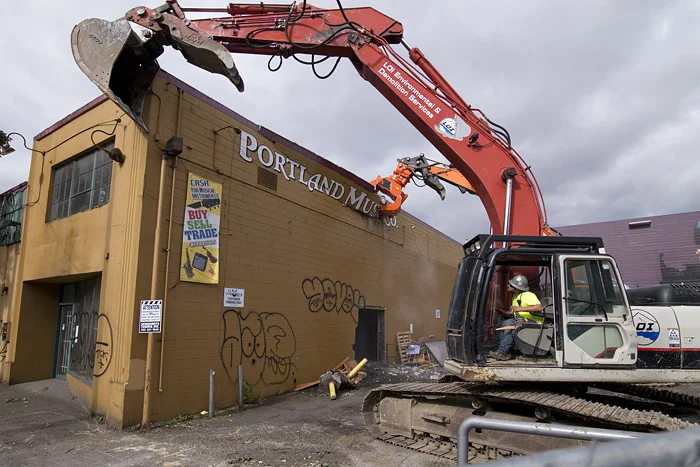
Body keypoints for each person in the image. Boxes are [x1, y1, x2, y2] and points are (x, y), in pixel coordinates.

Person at [489, 275, 543, 361]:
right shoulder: (515, 296)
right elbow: (516, 312)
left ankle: (503, 352)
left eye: (510, 285)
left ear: (517, 288)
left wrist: (520, 308)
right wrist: (505, 312)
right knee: (501, 324)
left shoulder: (528, 295)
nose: (508, 286)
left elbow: (539, 308)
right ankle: (497, 349)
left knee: (510, 323)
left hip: (534, 322)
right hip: (522, 320)